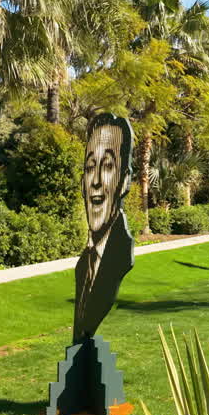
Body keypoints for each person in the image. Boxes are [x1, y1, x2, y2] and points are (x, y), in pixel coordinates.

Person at [73, 112, 135, 343]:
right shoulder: (83, 264)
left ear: (124, 181)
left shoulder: (120, 254)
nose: (96, 180)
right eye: (90, 167)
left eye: (108, 166)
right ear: (82, 184)